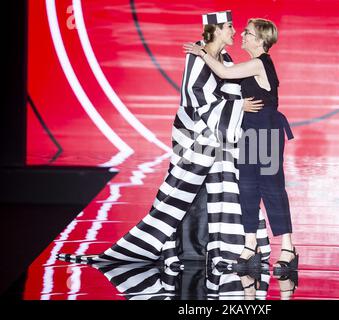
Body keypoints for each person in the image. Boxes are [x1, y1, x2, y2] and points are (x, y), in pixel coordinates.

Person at [57, 10, 272, 270]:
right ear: (215, 29)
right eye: (229, 27)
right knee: (177, 194)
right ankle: (171, 250)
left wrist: (239, 107)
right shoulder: (196, 58)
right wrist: (238, 108)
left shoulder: (224, 59)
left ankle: (227, 252)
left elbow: (230, 88)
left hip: (218, 141)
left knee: (227, 192)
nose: (234, 32)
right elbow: (195, 100)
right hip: (195, 138)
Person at [183, 18, 298, 275]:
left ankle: (288, 249)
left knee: (272, 189)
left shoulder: (259, 63)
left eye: (247, 33)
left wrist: (202, 51)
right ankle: (250, 245)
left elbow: (223, 73)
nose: (242, 36)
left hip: (266, 132)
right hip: (248, 132)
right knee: (247, 189)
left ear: (259, 40)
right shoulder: (248, 64)